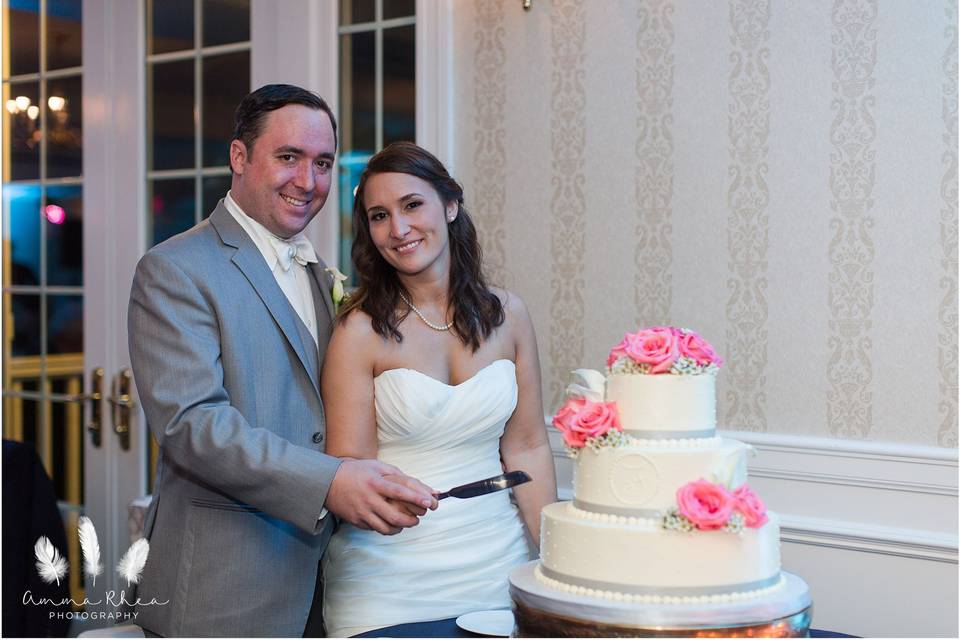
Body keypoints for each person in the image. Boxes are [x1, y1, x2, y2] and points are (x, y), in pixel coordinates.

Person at [128, 85, 437, 637]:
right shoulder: (175, 268)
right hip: (223, 587)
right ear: (239, 157)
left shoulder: (323, 272)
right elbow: (193, 425)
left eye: (322, 163)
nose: (308, 181)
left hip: (330, 583)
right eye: (288, 157)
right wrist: (329, 482)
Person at [320, 141, 558, 637]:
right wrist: (392, 496)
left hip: (499, 569)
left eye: (412, 205)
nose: (399, 229)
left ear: (449, 206)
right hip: (389, 582)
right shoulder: (358, 332)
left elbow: (528, 446)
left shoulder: (508, 314)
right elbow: (353, 469)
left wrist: (555, 566)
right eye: (380, 215)